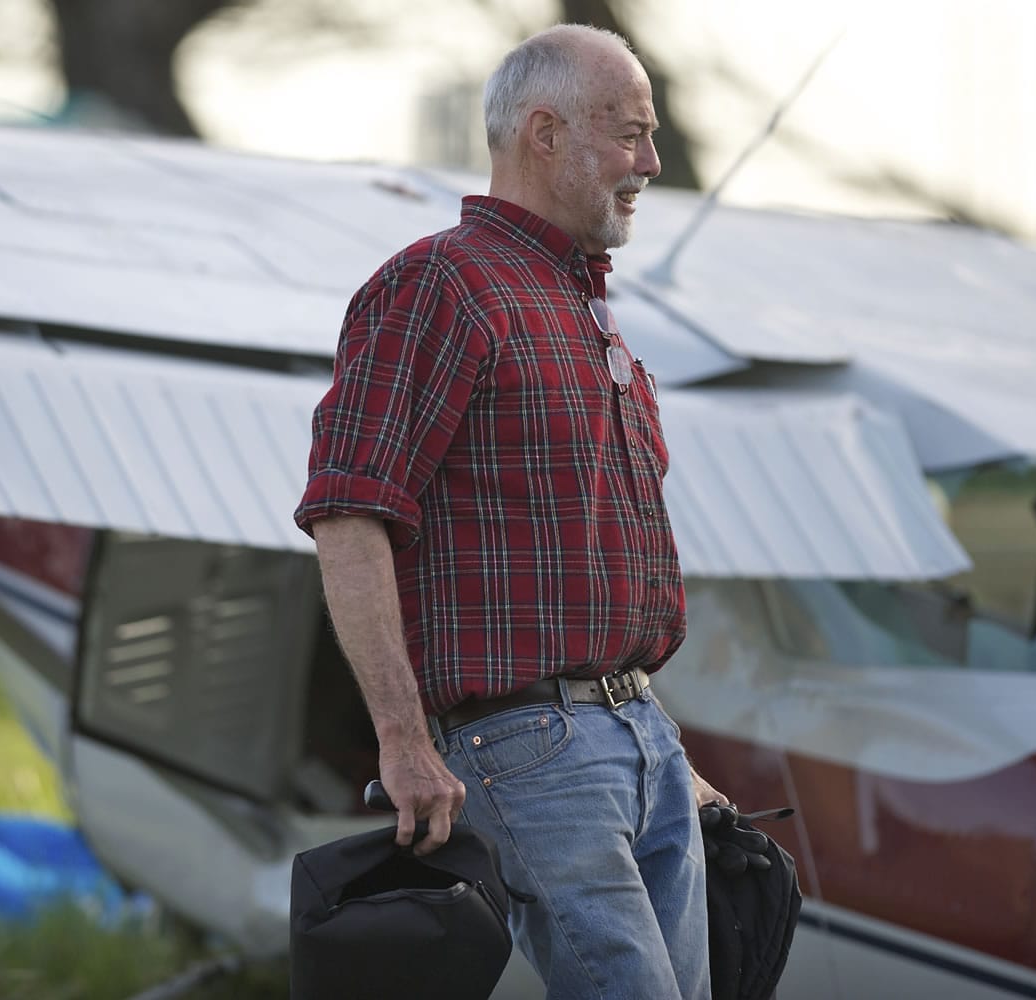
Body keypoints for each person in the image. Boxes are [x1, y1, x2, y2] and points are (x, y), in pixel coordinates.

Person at [294, 23, 725, 999]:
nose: (651, 164)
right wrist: (402, 739)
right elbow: (348, 514)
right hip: (523, 746)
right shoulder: (439, 285)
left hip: (638, 736)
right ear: (544, 134)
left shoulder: (581, 302)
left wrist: (658, 743)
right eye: (629, 134)